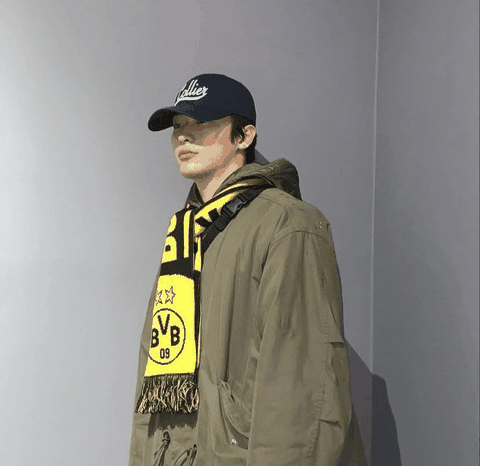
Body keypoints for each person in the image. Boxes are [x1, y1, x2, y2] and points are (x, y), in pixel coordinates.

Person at [129, 73, 366, 466]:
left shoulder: (289, 225)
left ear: (244, 136)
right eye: (177, 126)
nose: (183, 136)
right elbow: (152, 379)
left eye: (200, 122)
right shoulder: (184, 237)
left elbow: (301, 389)